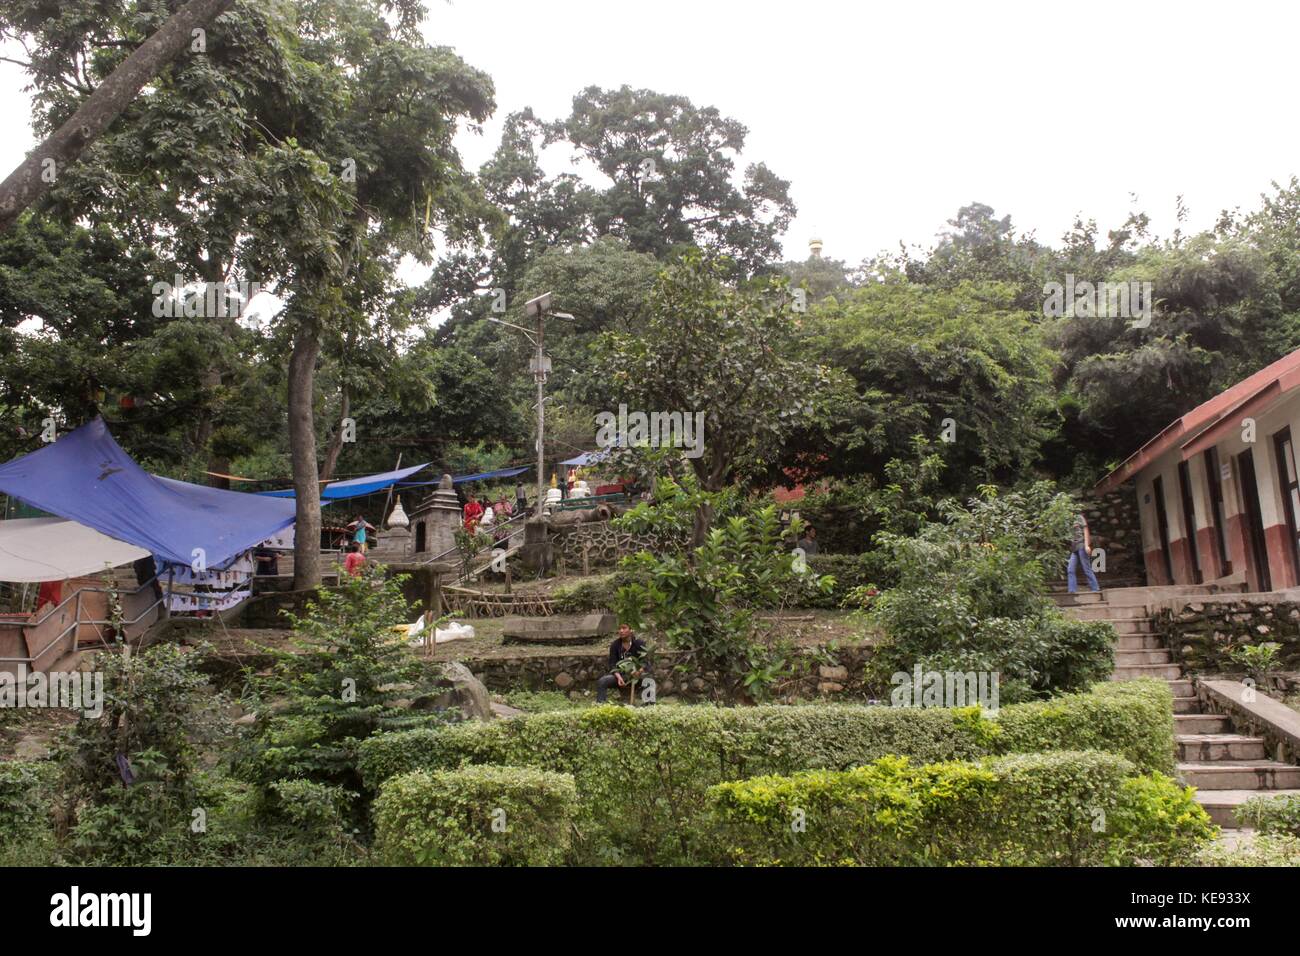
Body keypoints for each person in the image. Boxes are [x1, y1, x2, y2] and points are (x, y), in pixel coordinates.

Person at [596, 623, 648, 703]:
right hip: (622, 676)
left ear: (631, 630)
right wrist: (618, 677)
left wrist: (639, 671)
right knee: (602, 681)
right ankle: (600, 706)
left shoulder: (639, 643)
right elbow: (612, 664)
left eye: (624, 628)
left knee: (649, 679)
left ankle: (649, 706)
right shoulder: (615, 645)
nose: (621, 631)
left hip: (638, 675)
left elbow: (645, 661)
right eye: (619, 629)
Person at [1067, 512, 1101, 593]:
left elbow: (1086, 531)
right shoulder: (1067, 521)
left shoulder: (1079, 517)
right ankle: (1072, 591)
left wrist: (1086, 545)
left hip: (1082, 545)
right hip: (1074, 548)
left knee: (1086, 568)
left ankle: (1095, 588)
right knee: (1070, 570)